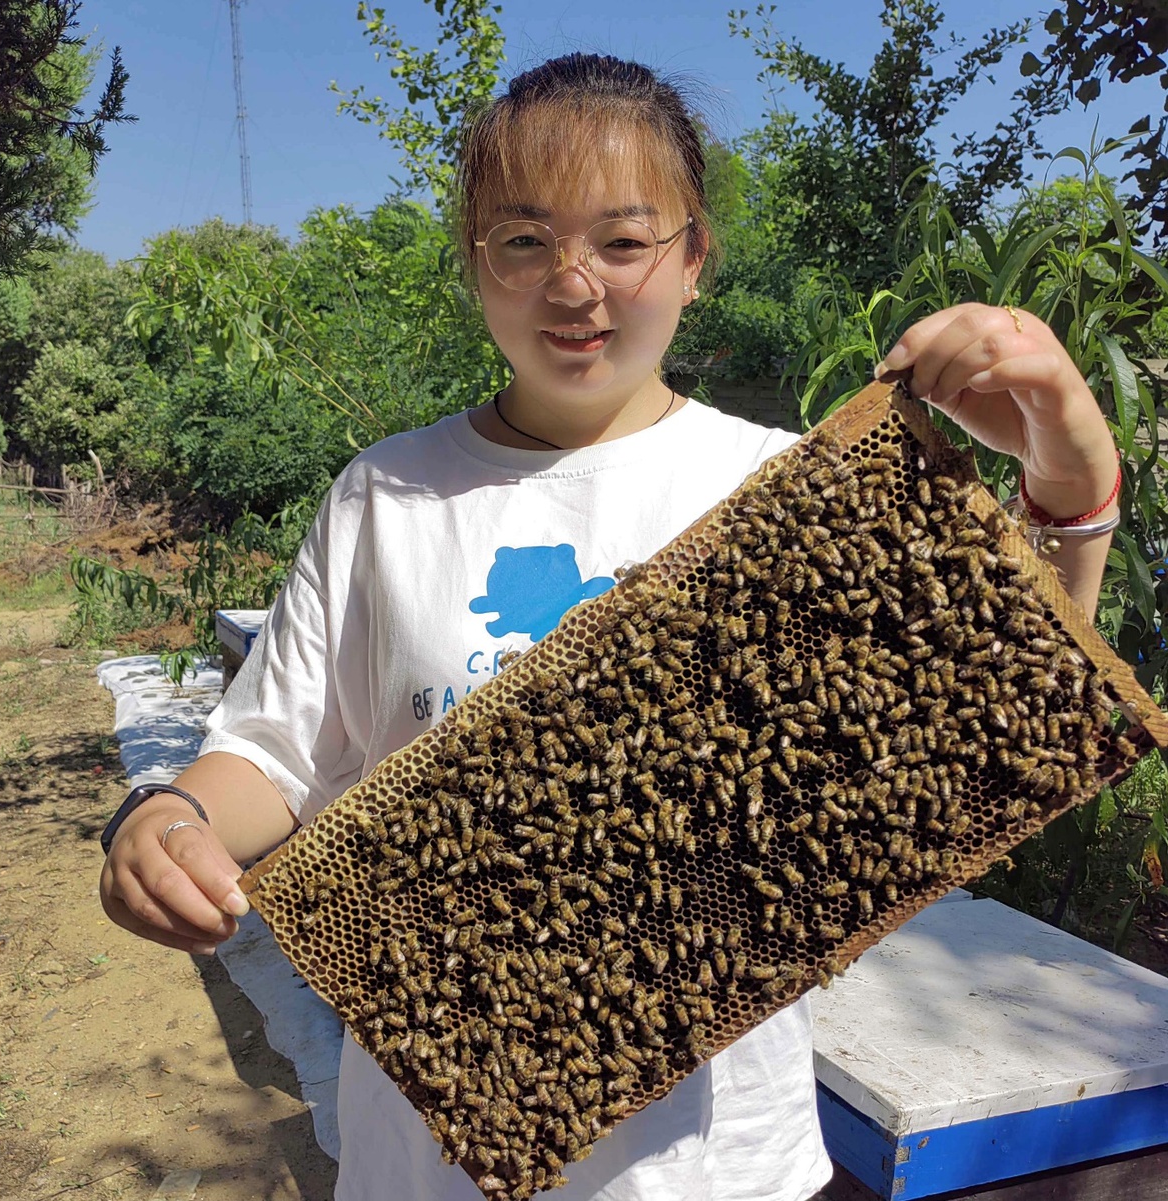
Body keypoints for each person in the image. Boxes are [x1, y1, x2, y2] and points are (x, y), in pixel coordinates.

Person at [99, 53, 1121, 1201]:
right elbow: (271, 752)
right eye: (523, 240)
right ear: (473, 264)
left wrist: (1073, 493)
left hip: (720, 1164)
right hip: (428, 1155)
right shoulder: (383, 495)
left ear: (693, 261)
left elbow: (990, 719)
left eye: (623, 242)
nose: (572, 284)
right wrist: (175, 812)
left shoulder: (778, 486)